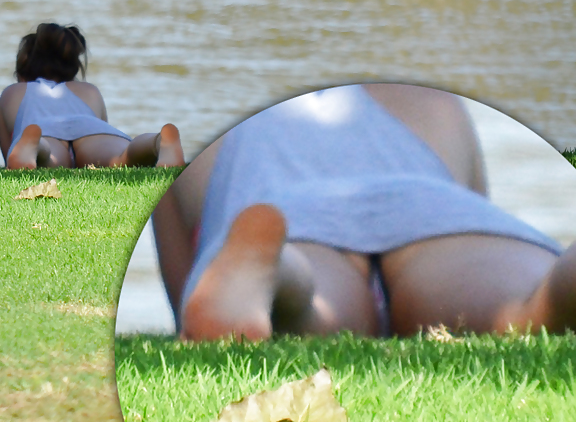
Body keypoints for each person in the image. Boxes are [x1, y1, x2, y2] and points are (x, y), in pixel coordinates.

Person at [152, 83, 576, 341]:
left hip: (289, 216)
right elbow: (475, 207)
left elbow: (187, 292)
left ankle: (275, 276)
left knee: (303, 310)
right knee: (519, 309)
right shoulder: (425, 96)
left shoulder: (194, 116)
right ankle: (548, 298)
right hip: (433, 208)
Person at [0, 23, 185, 170]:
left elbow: (9, 155)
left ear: (22, 71)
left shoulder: (13, 92)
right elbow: (103, 126)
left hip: (43, 131)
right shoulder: (88, 90)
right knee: (122, 158)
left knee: (47, 160)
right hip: (90, 129)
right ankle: (158, 142)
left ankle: (36, 147)